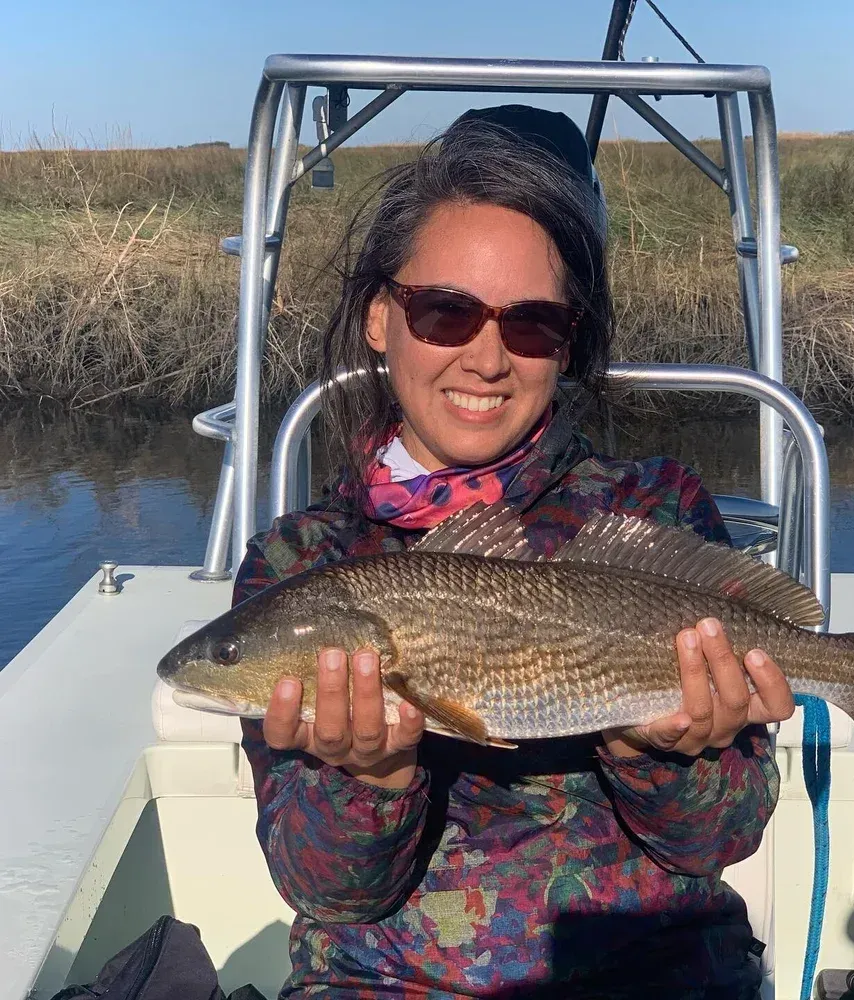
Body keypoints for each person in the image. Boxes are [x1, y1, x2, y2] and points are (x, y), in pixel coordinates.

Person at [233, 105, 795, 999]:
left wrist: (659, 750)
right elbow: (325, 892)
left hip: (655, 966)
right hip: (384, 981)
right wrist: (373, 777)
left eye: (532, 324)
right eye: (446, 312)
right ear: (382, 319)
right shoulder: (299, 564)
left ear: (567, 343)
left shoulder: (655, 508)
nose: (488, 358)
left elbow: (719, 842)